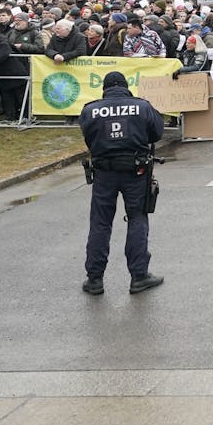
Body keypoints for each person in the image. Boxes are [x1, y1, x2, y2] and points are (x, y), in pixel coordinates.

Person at [78, 71, 167, 295]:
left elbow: (88, 136)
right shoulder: (142, 106)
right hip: (135, 170)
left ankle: (95, 279)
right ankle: (139, 276)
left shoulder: (91, 109)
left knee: (100, 223)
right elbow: (156, 132)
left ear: (104, 89)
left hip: (104, 171)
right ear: (126, 87)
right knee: (137, 218)